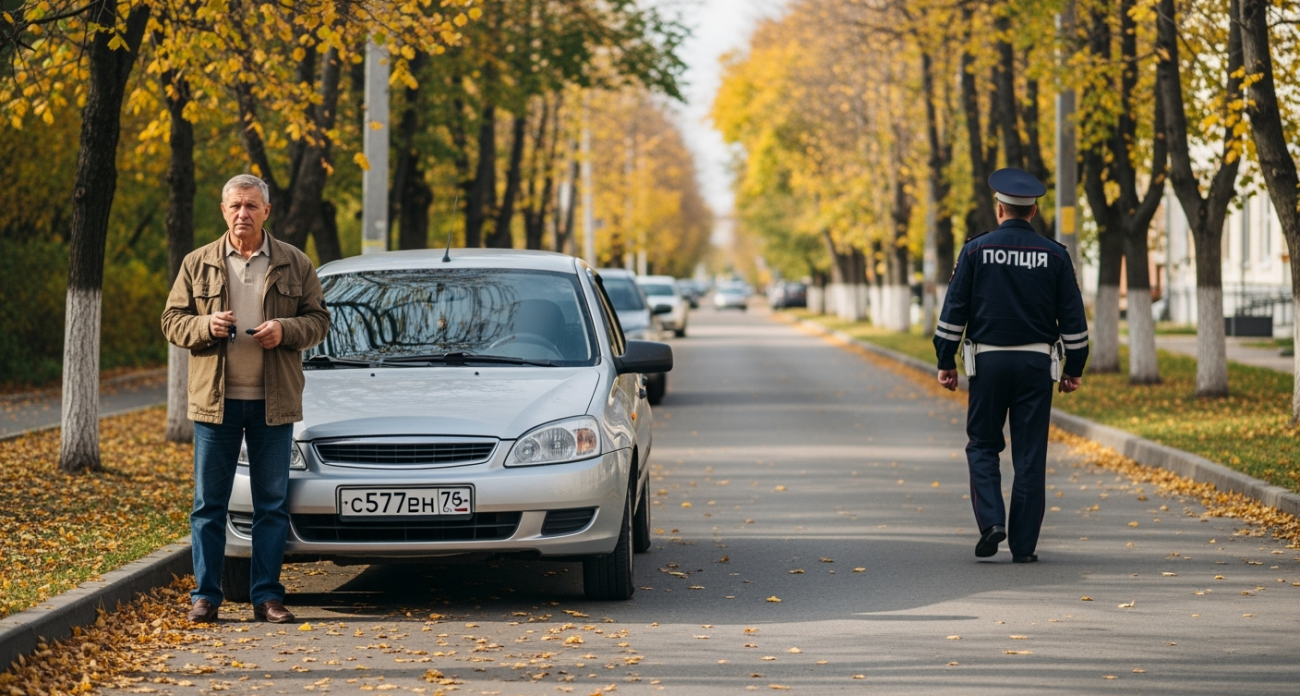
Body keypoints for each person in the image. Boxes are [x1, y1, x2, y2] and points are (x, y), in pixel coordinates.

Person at [161, 174, 330, 623]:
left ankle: (267, 597)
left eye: (252, 206)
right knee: (208, 505)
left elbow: (318, 321)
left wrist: (285, 330)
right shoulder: (197, 263)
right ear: (223, 210)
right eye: (235, 205)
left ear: (266, 211)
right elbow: (172, 321)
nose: (243, 214)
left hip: (273, 402)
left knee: (271, 504)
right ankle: (206, 597)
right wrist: (205, 326)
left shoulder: (296, 262)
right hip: (214, 403)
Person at [933, 168, 1089, 563]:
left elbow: (954, 311)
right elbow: (1073, 319)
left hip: (987, 363)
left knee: (983, 444)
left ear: (999, 210)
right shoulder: (1055, 255)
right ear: (1033, 212)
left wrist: (945, 359)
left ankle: (991, 522)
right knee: (1030, 455)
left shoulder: (975, 250)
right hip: (1037, 365)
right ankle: (1023, 546)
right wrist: (1075, 367)